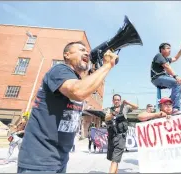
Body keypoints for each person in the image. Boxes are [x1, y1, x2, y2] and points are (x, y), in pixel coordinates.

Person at [17, 41, 119, 173]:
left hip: (59, 159)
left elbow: (84, 85)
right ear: (67, 55)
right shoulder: (59, 69)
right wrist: (107, 65)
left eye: (87, 51)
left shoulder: (75, 78)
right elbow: (78, 91)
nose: (86, 53)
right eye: (81, 50)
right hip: (39, 161)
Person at [105, 94, 138, 174]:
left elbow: (136, 107)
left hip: (121, 136)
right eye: (115, 100)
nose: (116, 101)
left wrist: (127, 102)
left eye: (118, 100)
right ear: (112, 101)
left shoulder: (125, 107)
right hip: (112, 136)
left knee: (115, 159)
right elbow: (106, 118)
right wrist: (113, 114)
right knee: (114, 159)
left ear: (120, 100)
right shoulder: (110, 109)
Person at [151, 43, 181, 114]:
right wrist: (176, 76)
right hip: (158, 78)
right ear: (162, 49)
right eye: (168, 48)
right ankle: (175, 108)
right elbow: (167, 66)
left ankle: (170, 101)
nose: (170, 50)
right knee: (177, 83)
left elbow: (175, 58)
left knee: (180, 87)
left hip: (162, 79)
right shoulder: (159, 56)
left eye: (170, 48)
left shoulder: (166, 59)